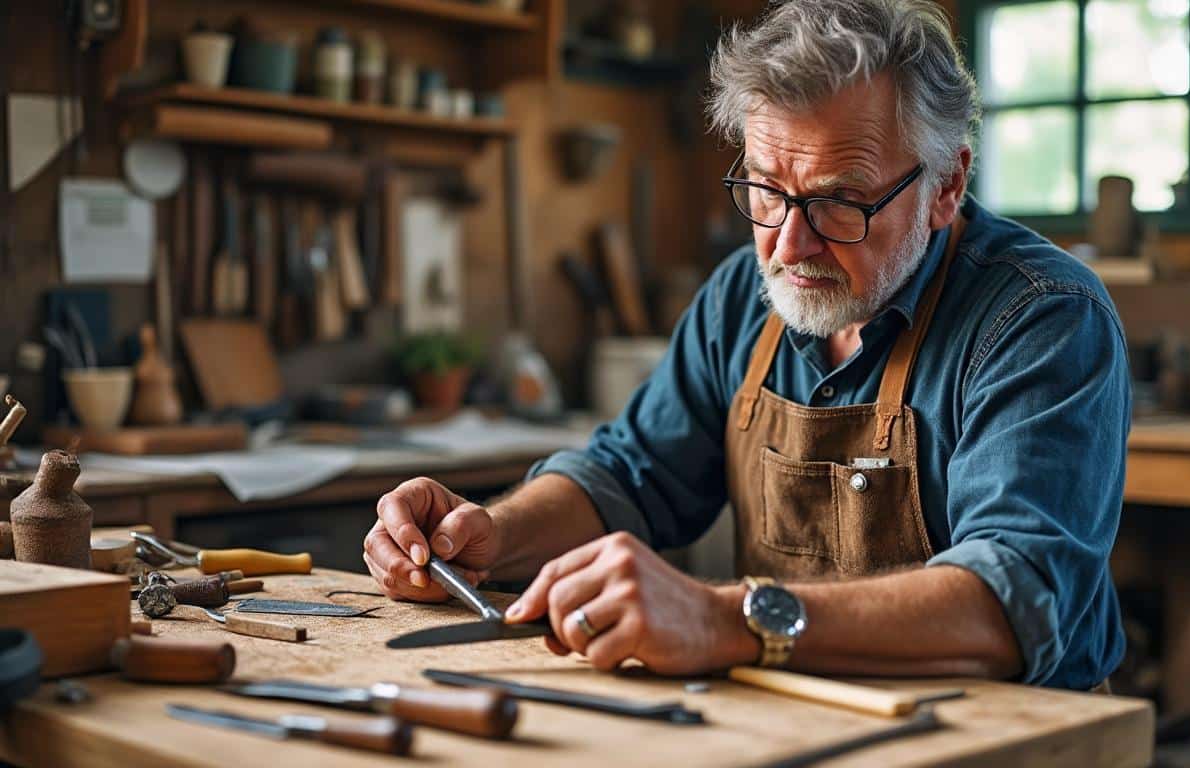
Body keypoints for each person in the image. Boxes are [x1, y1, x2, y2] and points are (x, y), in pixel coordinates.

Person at [364, 0, 1128, 690]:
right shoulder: (743, 296)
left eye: (839, 201)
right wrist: (491, 538)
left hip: (1001, 738)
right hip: (793, 720)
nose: (789, 244)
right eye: (766, 189)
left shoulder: (1041, 317)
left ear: (947, 186)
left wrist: (725, 620)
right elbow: (631, 476)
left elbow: (1012, 601)